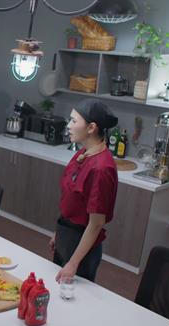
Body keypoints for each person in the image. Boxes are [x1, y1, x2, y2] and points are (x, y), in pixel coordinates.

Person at [51, 99, 119, 283]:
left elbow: (96, 224)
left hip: (81, 243)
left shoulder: (101, 168)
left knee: (73, 293)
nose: (68, 125)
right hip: (66, 233)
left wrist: (73, 263)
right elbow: (71, 199)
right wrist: (59, 234)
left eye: (74, 121)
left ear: (91, 128)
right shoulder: (83, 153)